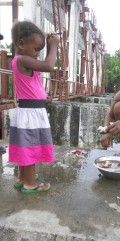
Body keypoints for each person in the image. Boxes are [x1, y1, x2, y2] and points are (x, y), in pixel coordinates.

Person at [9, 21, 60, 193]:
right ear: (21, 44)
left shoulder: (21, 59)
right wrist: (54, 46)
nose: (38, 54)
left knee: (26, 145)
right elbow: (49, 66)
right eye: (37, 49)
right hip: (31, 112)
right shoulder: (22, 60)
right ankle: (30, 183)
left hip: (29, 111)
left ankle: (23, 177)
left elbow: (41, 63)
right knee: (31, 147)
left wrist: (46, 40)